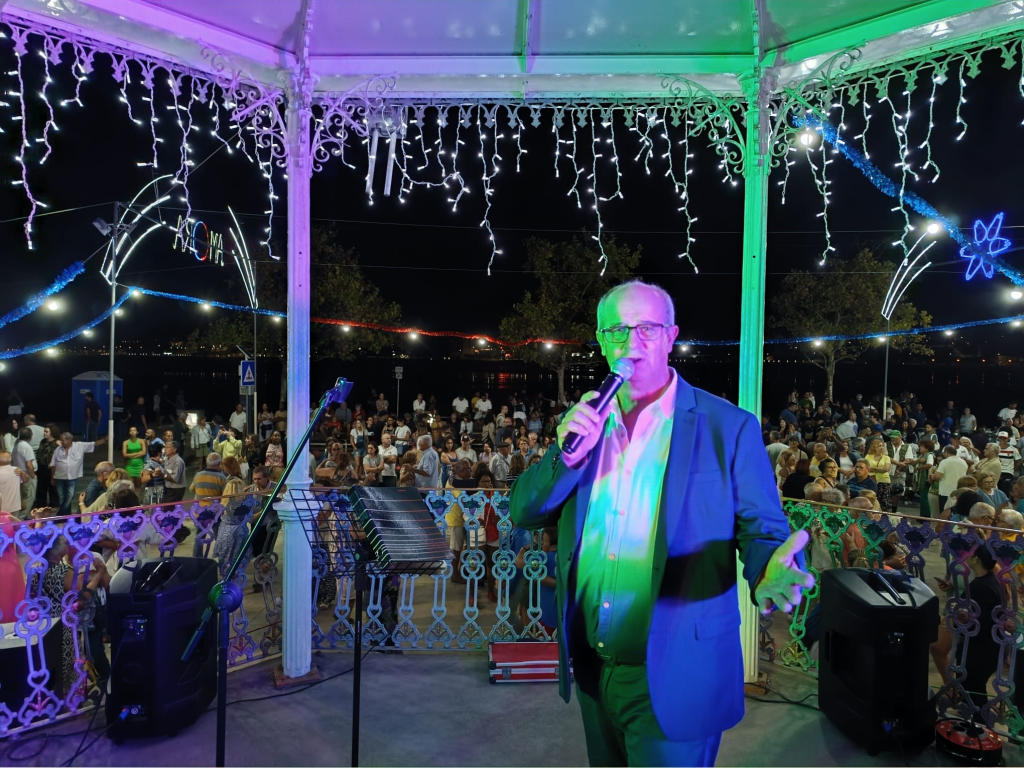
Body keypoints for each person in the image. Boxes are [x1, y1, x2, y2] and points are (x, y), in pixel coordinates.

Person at [508, 281, 812, 767]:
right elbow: (525, 510)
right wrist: (566, 456)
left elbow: (761, 529)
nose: (631, 342)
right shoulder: (586, 421)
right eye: (617, 330)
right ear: (601, 340)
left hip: (677, 673)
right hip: (593, 667)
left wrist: (768, 570)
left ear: (671, 336)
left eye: (647, 328)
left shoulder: (727, 426)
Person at [50, 432, 106, 516]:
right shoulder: (58, 449)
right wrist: (52, 477)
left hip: (71, 477)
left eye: (63, 440)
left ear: (69, 440)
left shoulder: (79, 446)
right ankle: (66, 515)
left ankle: (60, 515)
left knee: (69, 496)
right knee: (62, 498)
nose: (61, 442)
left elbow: (94, 443)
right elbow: (53, 464)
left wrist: (105, 439)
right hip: (59, 476)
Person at [932, 444, 970, 511]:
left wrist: (933, 476)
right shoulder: (963, 462)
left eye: (944, 453)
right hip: (959, 492)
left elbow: (938, 476)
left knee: (945, 513)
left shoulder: (945, 461)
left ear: (947, 452)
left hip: (946, 492)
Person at [122, 425, 147, 493]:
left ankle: (137, 498)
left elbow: (144, 453)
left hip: (139, 465)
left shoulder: (141, 441)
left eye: (134, 430)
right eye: (131, 430)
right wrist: (138, 453)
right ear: (129, 432)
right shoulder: (125, 442)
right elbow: (124, 454)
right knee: (130, 484)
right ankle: (130, 498)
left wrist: (131, 456)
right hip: (129, 465)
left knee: (138, 484)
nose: (133, 432)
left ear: (137, 432)